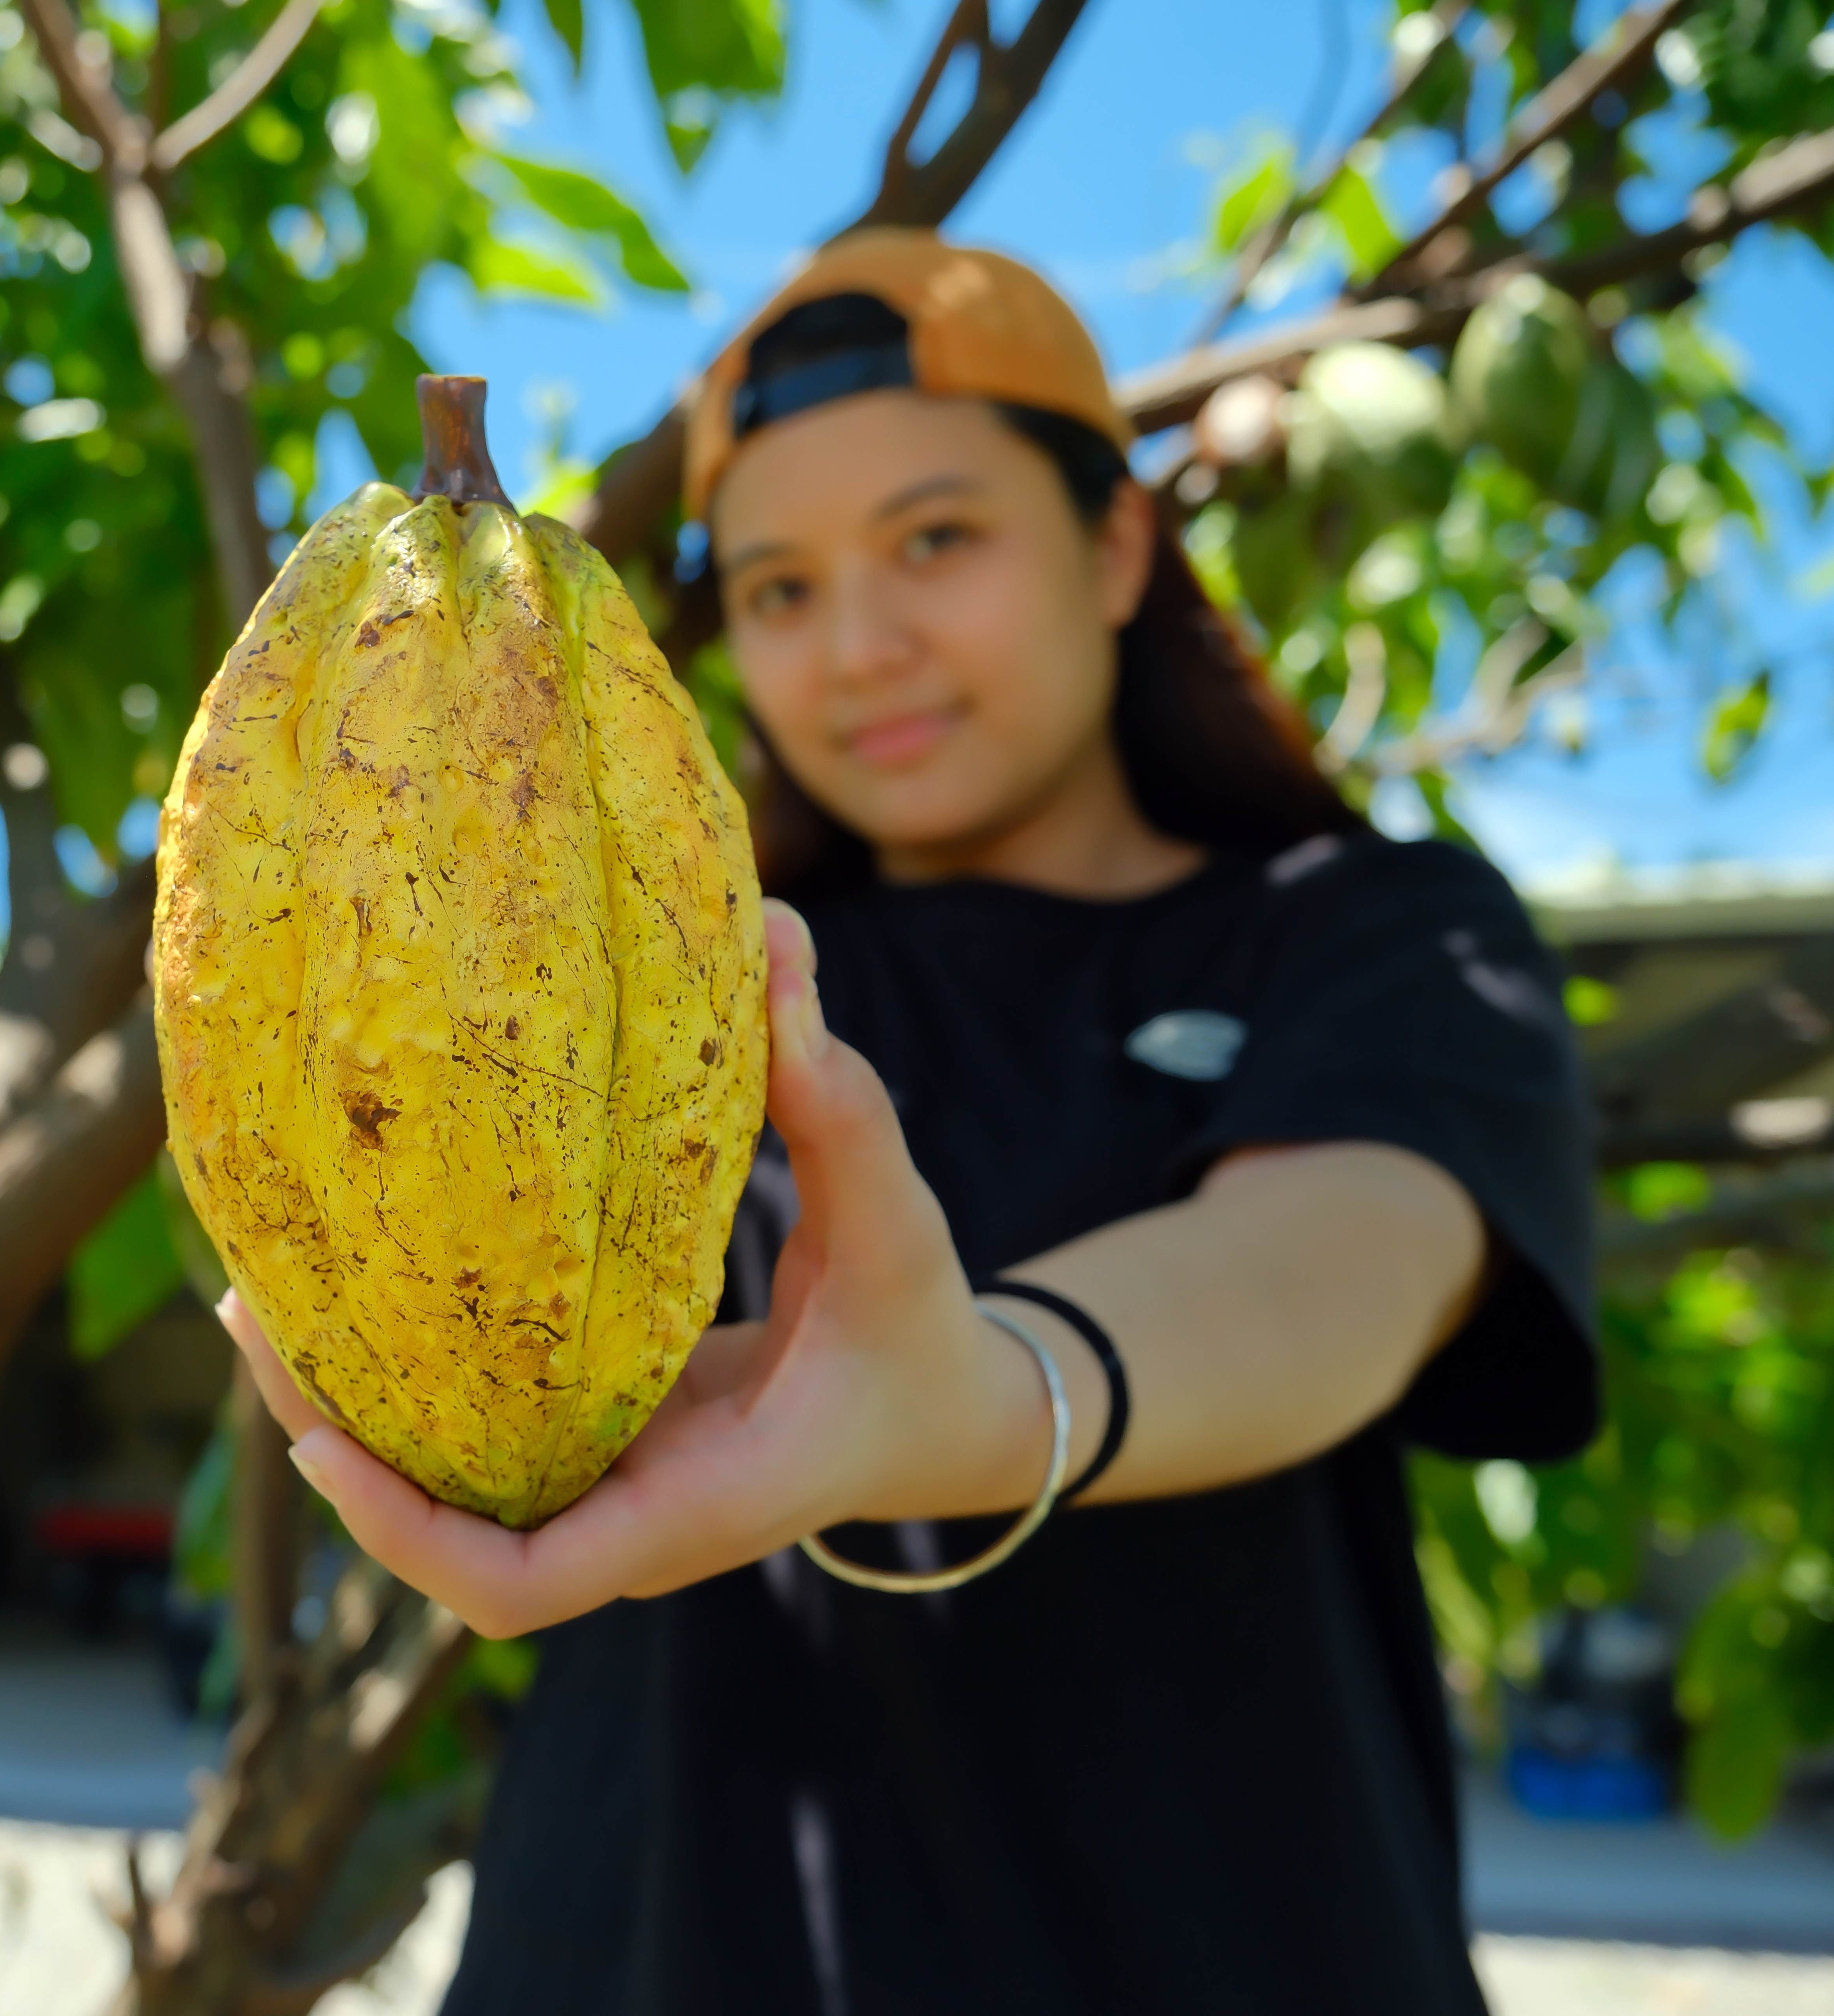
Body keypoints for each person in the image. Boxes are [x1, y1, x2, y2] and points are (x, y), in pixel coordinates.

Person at [223, 230, 1597, 2013]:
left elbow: (1338, 1258)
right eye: (780, 588)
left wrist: (992, 1388)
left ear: (1116, 545)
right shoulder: (671, 967)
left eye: (936, 541)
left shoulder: (1366, 927)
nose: (858, 646)